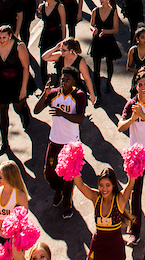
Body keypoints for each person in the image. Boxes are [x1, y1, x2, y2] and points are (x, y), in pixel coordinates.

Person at [33, 69, 88, 220]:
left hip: (71, 143)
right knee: (49, 173)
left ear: (74, 82)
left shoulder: (79, 96)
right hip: (55, 140)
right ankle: (59, 190)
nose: (64, 82)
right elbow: (36, 110)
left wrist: (62, 114)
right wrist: (45, 94)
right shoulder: (54, 93)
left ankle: (67, 204)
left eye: (67, 80)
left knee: (68, 177)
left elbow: (80, 119)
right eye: (63, 79)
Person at [117, 70, 145, 241]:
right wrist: (132, 119)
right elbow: (120, 126)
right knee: (135, 191)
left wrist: (142, 116)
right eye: (140, 85)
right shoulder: (131, 105)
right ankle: (134, 230)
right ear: (136, 86)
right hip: (135, 155)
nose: (143, 87)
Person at [0, 26, 31, 156]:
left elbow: (25, 67)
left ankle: (24, 112)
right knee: (2, 111)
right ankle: (4, 142)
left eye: (4, 37)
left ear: (10, 35)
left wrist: (23, 88)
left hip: (16, 83)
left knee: (18, 107)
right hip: (1, 84)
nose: (1, 40)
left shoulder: (19, 47)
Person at [0, 160, 29, 256]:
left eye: (0, 177)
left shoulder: (20, 196)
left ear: (9, 178)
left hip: (14, 240)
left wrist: (21, 245)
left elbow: (24, 222)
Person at [88, 0, 122, 94]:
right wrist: (93, 29)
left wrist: (105, 31)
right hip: (97, 40)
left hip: (108, 40)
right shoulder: (95, 11)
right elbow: (91, 24)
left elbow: (116, 29)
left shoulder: (113, 12)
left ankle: (108, 82)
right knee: (96, 66)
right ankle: (97, 92)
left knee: (109, 63)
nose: (100, 0)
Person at [34, 0, 67, 85]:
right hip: (45, 34)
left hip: (56, 35)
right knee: (43, 60)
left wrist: (64, 41)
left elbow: (63, 25)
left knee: (59, 61)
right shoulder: (42, 7)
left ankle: (59, 83)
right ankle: (44, 83)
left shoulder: (59, 7)